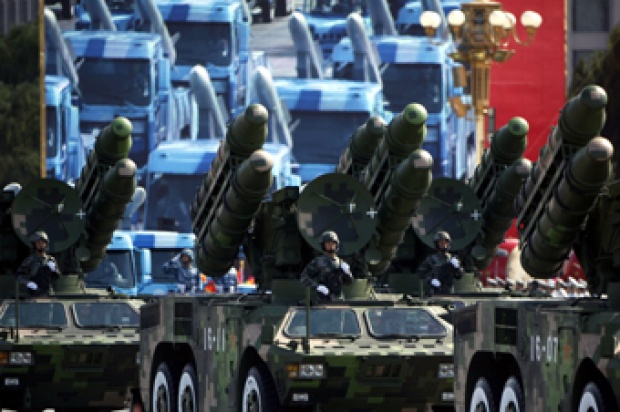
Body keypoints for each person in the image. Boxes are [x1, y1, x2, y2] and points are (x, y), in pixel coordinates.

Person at [300, 231, 353, 301]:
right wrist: (318, 286)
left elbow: (348, 282)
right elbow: (304, 277)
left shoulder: (341, 263)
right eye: (328, 243)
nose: (330, 245)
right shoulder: (318, 262)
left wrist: (347, 273)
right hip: (323, 300)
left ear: (336, 245)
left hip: (339, 300)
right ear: (323, 245)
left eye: (333, 243)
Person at [416, 231, 464, 295]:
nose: (443, 244)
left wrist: (457, 268)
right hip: (435, 292)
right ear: (437, 244)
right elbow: (421, 272)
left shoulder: (453, 259)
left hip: (449, 292)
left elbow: (459, 276)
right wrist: (431, 280)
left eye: (445, 242)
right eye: (441, 242)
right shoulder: (431, 259)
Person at [17, 231, 61, 297]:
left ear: (46, 244)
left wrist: (53, 270)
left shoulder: (51, 259)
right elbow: (19, 276)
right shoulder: (29, 260)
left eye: (43, 242)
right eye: (38, 242)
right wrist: (28, 283)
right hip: (33, 293)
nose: (41, 244)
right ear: (34, 244)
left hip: (48, 292)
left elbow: (56, 276)